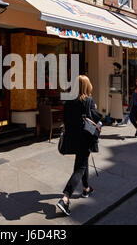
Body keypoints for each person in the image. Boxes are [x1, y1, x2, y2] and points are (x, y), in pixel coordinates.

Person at [56, 75, 102, 216]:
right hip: (84, 138)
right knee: (80, 167)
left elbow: (65, 120)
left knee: (82, 162)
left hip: (72, 138)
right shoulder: (88, 100)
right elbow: (96, 117)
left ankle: (86, 188)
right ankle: (65, 197)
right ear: (86, 86)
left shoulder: (68, 101)